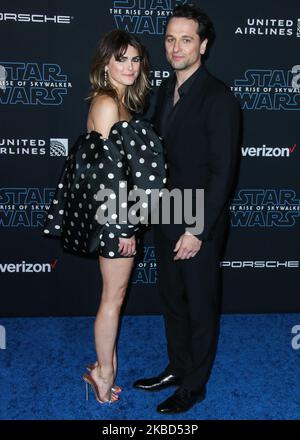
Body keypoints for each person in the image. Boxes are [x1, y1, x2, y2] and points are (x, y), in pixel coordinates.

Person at [43, 29, 166, 404]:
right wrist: (124, 226)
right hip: (116, 220)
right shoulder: (109, 104)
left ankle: (104, 364)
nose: (130, 66)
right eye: (121, 59)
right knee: (113, 297)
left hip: (118, 216)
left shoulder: (120, 102)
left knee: (115, 294)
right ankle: (102, 374)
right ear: (105, 63)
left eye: (135, 59)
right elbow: (110, 176)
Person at [133, 4, 241, 413]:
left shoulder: (218, 98)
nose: (176, 47)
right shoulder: (163, 91)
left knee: (199, 306)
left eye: (186, 39)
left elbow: (222, 172)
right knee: (173, 301)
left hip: (197, 221)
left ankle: (194, 386)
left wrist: (196, 230)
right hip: (165, 213)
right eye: (170, 38)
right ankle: (178, 368)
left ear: (204, 45)